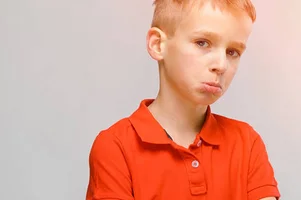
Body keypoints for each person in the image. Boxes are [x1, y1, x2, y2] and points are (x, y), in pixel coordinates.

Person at [86, 0, 280, 199]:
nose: (221, 65)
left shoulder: (246, 143)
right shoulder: (115, 147)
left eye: (233, 52)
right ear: (157, 44)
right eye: (202, 43)